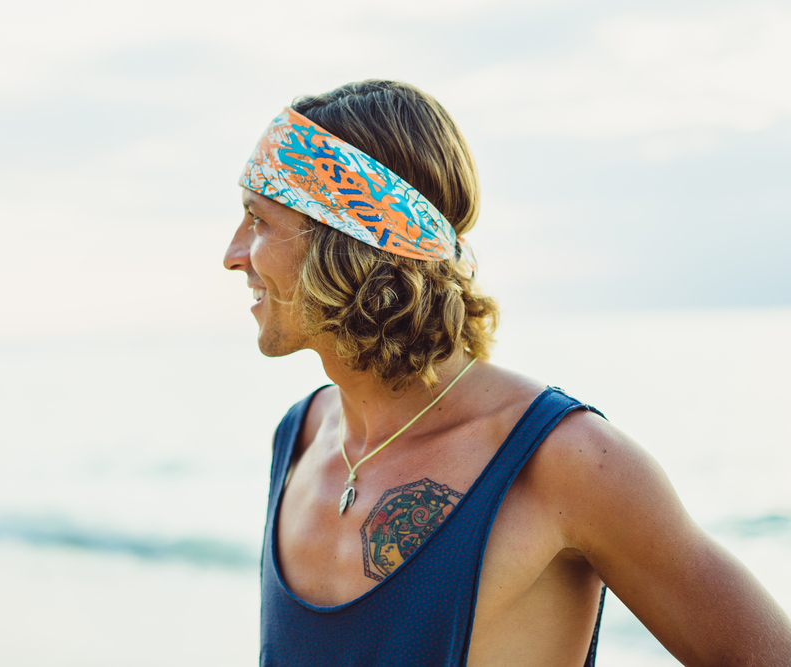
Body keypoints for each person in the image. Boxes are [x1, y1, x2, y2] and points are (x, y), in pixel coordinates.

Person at [222, 80, 791, 666]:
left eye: (258, 220)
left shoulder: (566, 463)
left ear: (346, 239)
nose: (232, 254)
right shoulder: (300, 436)